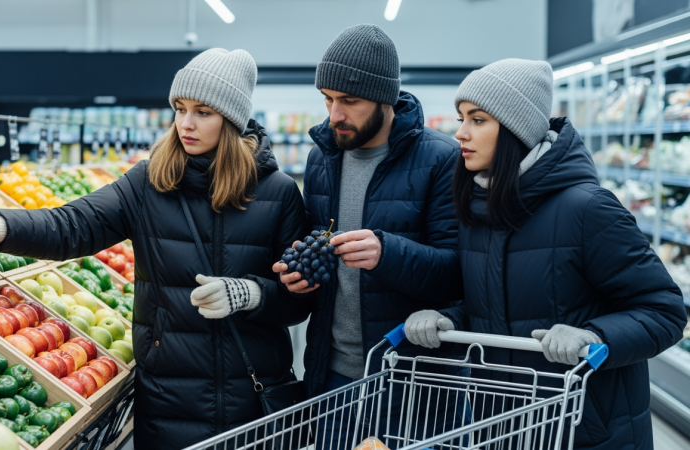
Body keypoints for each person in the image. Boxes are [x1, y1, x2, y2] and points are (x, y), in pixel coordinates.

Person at [0, 48, 313, 450]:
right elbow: (70, 225)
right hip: (168, 400)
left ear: (231, 119)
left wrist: (252, 293)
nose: (185, 124)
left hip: (254, 403)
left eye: (203, 113)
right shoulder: (150, 182)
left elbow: (299, 302)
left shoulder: (278, 194)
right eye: (179, 108)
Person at [404, 58, 687, 450]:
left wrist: (593, 335)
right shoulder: (477, 210)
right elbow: (495, 312)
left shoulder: (587, 209)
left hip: (585, 431)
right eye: (461, 119)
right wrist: (445, 321)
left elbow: (665, 310)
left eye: (478, 120)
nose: (461, 134)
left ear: (515, 128)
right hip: (503, 426)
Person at [273, 24, 467, 448]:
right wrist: (301, 273)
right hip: (332, 377)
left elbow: (458, 273)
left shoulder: (442, 159)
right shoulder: (322, 159)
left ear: (385, 98)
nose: (335, 115)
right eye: (327, 100)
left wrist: (387, 253)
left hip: (412, 381)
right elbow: (322, 252)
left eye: (349, 101)